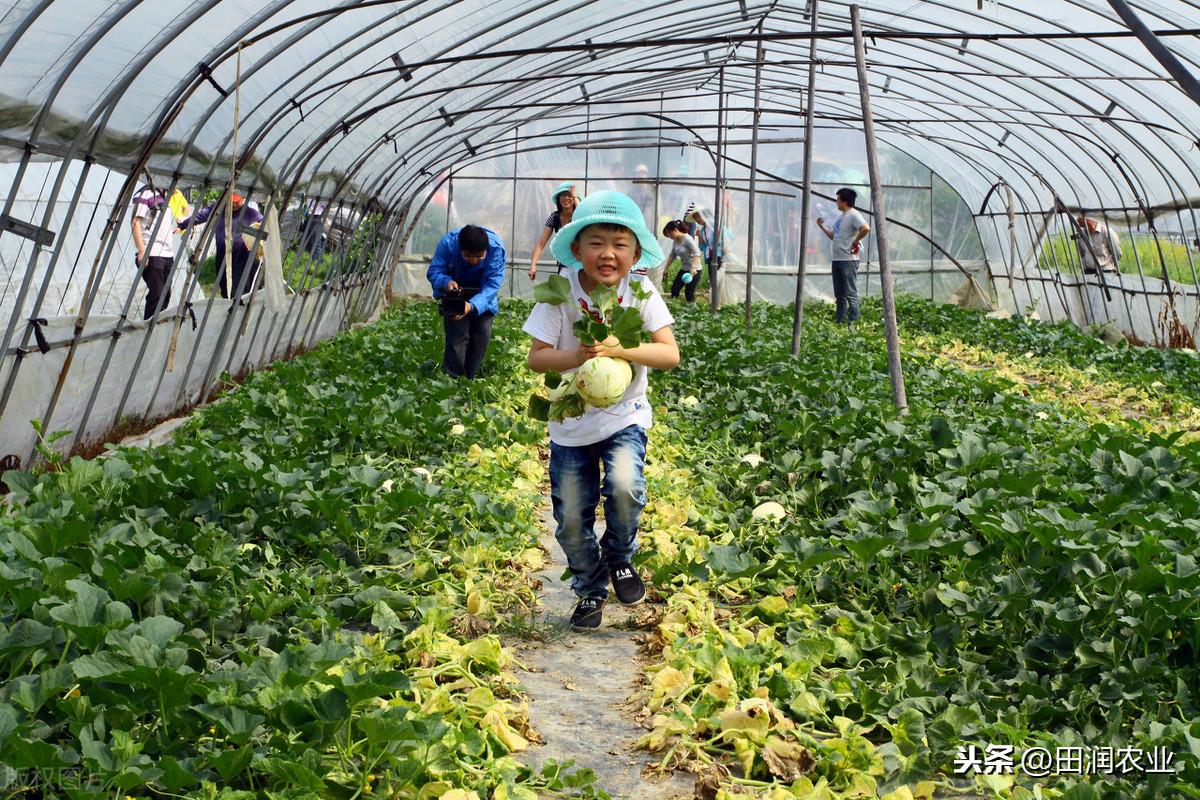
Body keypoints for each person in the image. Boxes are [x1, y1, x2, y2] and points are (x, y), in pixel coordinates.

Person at [523, 191, 679, 630]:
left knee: (626, 487)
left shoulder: (641, 291)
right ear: (576, 248)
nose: (607, 253)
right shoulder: (558, 294)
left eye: (619, 244)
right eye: (596, 243)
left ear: (634, 253)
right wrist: (577, 357)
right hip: (570, 424)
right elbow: (537, 357)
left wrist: (621, 348)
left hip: (624, 415)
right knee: (572, 518)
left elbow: (670, 355)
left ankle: (620, 557)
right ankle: (590, 590)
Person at [427, 224, 506, 379]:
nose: (474, 261)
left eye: (479, 256)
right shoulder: (448, 244)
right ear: (460, 248)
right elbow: (435, 271)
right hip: (455, 295)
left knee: (481, 335)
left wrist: (472, 306)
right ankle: (453, 379)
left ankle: (469, 378)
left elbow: (492, 284)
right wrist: (446, 282)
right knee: (457, 337)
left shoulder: (495, 248)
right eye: (469, 256)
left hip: (483, 296)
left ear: (486, 250)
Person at [178, 192, 265, 299]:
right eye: (231, 201)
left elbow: (265, 228)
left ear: (243, 199)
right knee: (224, 287)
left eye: (236, 202)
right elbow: (200, 216)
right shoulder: (219, 209)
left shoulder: (250, 214)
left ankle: (238, 311)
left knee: (238, 291)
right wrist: (182, 225)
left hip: (241, 259)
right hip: (222, 256)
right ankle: (228, 310)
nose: (233, 204)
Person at [816, 188, 870, 325]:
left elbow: (865, 228)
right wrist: (822, 227)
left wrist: (856, 241)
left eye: (838, 199)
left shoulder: (853, 215)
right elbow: (834, 236)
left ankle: (854, 321)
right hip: (837, 259)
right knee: (839, 294)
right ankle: (840, 321)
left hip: (848, 260)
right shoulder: (841, 217)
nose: (836, 202)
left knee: (850, 293)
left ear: (844, 201)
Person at [130, 185, 181, 320]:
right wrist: (142, 251)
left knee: (166, 294)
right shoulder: (146, 194)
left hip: (167, 254)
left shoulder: (167, 196)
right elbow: (135, 222)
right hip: (152, 253)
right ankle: (148, 329)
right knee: (157, 294)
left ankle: (156, 324)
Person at [528, 181, 579, 280]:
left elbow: (583, 211)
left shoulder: (579, 216)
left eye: (570, 196)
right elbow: (541, 243)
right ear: (558, 199)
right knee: (563, 293)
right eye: (563, 195)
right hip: (564, 265)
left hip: (580, 265)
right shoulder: (554, 217)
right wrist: (533, 265)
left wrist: (575, 196)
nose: (566, 198)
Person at [661, 219, 703, 303]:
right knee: (675, 289)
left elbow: (697, 253)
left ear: (675, 230)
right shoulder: (675, 241)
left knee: (689, 294)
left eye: (669, 233)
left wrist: (693, 268)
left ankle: (693, 311)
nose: (669, 236)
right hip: (684, 269)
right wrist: (665, 269)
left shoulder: (687, 239)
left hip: (694, 271)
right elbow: (672, 255)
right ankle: (674, 307)